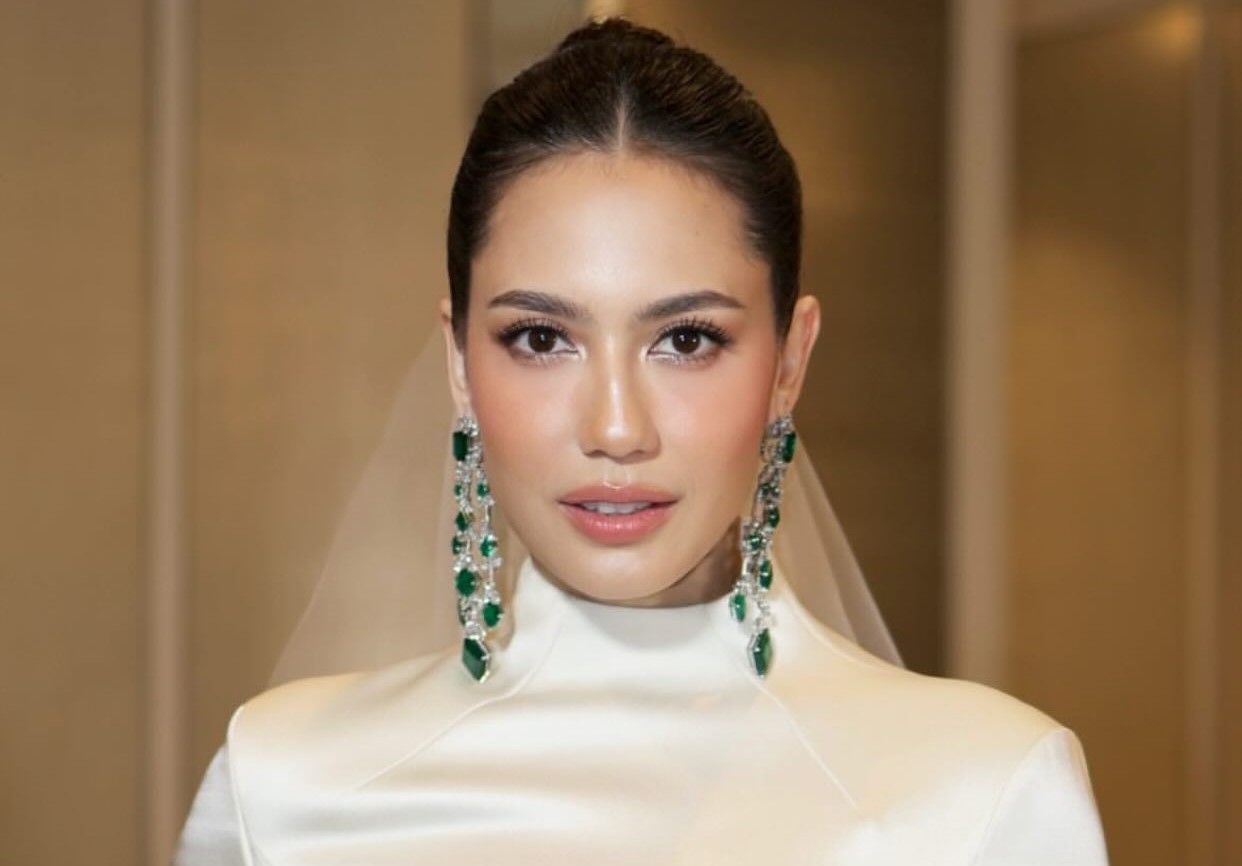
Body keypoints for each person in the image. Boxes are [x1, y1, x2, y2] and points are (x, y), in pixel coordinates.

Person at [173, 16, 1109, 865]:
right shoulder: (288, 788)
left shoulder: (985, 793)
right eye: (542, 339)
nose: (615, 428)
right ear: (459, 361)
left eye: (686, 340)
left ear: (790, 361)